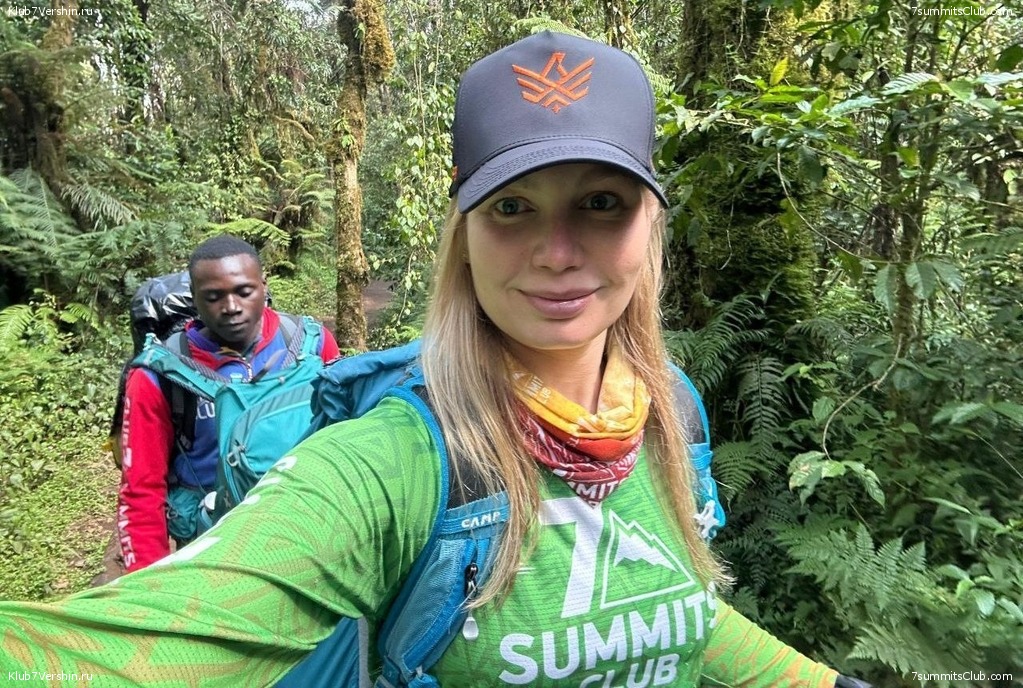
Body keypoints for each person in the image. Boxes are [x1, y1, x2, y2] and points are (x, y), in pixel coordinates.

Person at [0, 32, 869, 687]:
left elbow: (677, 612)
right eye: (512, 207)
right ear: (463, 237)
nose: (556, 252)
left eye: (601, 203)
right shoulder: (396, 460)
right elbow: (145, 648)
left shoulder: (668, 407)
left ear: (652, 225)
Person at [116, 234, 340, 571]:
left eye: (244, 291)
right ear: (195, 297)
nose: (232, 307)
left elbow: (342, 438)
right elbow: (141, 492)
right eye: (213, 297)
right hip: (214, 552)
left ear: (263, 286)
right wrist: (149, 586)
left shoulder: (312, 344)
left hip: (309, 534)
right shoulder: (159, 375)